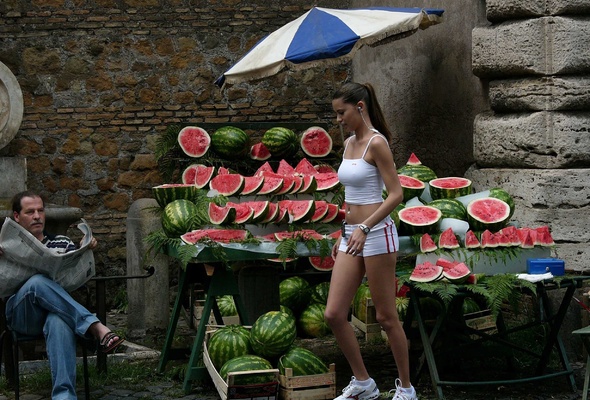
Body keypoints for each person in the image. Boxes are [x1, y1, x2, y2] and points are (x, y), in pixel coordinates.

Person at [324, 82, 416, 400]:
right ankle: (364, 383)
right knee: (334, 314)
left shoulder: (376, 143)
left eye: (342, 112)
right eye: (336, 113)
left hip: (377, 234)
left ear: (360, 107)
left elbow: (395, 194)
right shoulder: (349, 143)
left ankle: (406, 388)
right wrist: (344, 231)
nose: (338, 119)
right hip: (352, 235)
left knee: (386, 318)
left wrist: (364, 227)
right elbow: (351, 196)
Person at [1, 191, 124, 400]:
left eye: (40, 211)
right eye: (30, 212)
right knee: (37, 283)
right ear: (16, 217)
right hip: (22, 315)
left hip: (56, 311)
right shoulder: (4, 245)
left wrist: (85, 248)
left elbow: (73, 274)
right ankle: (96, 327)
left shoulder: (61, 242)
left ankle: (64, 396)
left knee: (58, 321)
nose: (37, 216)